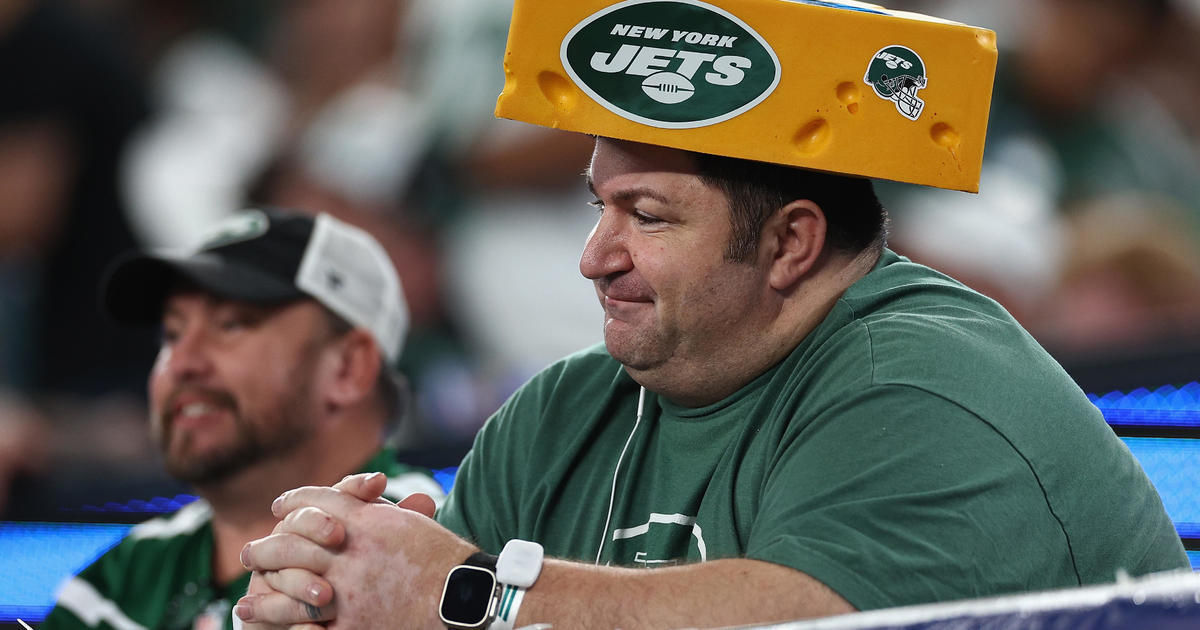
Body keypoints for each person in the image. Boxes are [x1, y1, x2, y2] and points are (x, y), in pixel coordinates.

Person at [234, 137, 1188, 629]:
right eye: (598, 207)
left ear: (790, 244)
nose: (593, 257)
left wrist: (467, 596)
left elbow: (809, 628)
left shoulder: (928, 384)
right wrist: (338, 592)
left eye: (647, 217)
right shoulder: (558, 415)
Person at [41, 208, 445, 630]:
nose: (181, 362)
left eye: (231, 324)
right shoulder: (125, 576)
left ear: (348, 366)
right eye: (172, 334)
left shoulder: (424, 550)